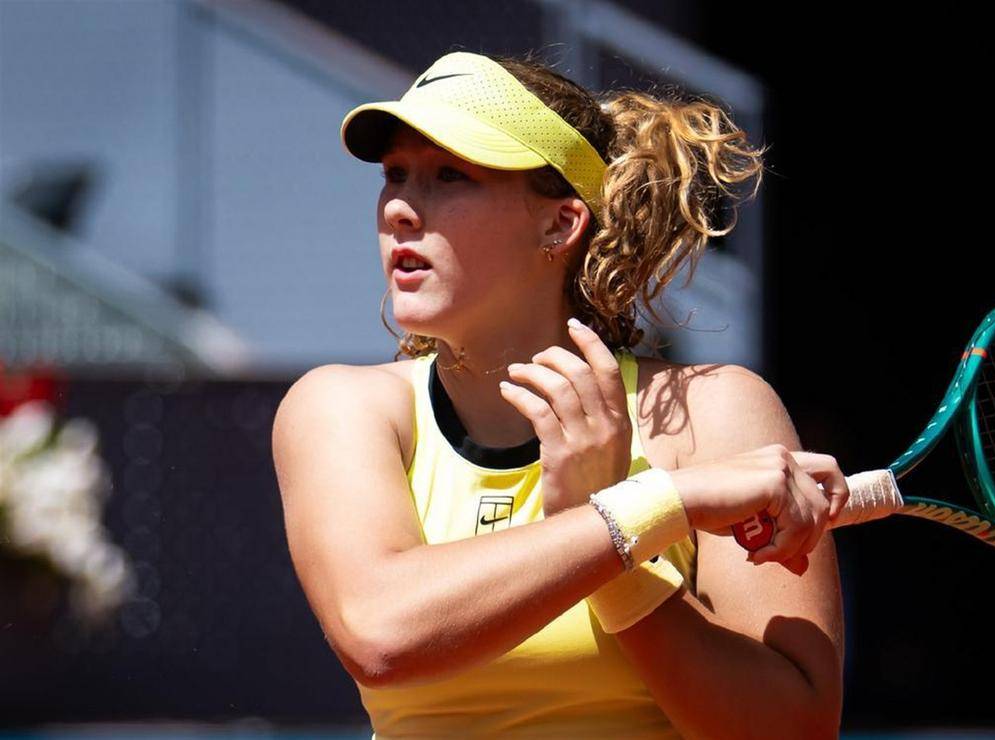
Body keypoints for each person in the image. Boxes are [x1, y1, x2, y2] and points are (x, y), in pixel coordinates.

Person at [272, 49, 850, 738]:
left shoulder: (714, 412)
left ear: (559, 224)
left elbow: (794, 729)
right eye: (395, 175)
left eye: (450, 175)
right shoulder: (339, 408)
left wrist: (613, 560)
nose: (398, 207)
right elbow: (380, 633)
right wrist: (653, 508)